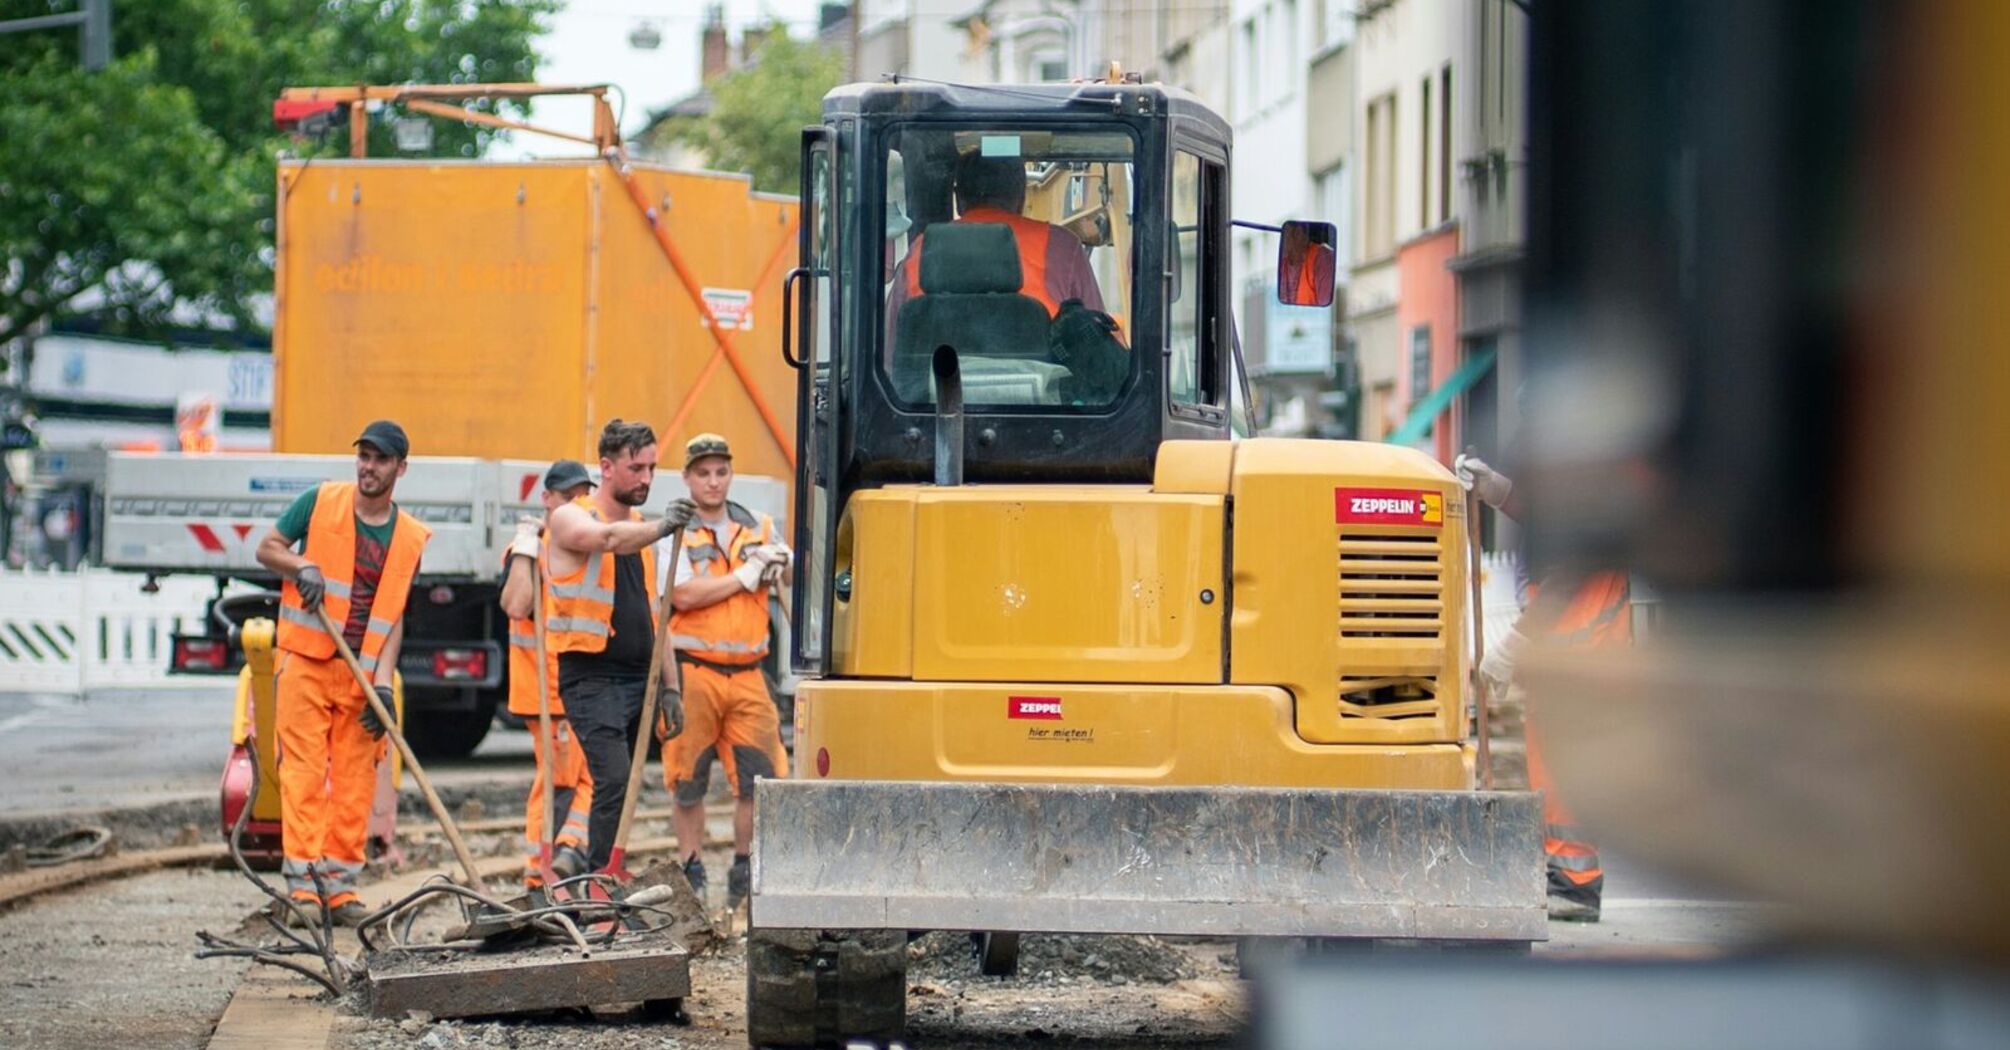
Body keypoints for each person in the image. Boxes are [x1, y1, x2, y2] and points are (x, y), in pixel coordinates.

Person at [254, 420, 431, 926]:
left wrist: (381, 682)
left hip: (360, 672)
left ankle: (340, 888)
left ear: (400, 468)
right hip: (307, 661)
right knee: (304, 775)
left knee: (355, 781)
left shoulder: (410, 537)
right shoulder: (320, 501)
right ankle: (304, 889)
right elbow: (266, 547)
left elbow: (392, 617)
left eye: (380, 460)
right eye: (364, 457)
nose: (368, 467)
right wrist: (300, 567)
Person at [1457, 451, 1630, 922]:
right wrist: (1499, 491)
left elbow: (1566, 580)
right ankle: (1566, 876)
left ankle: (1575, 884)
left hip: (1585, 668)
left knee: (1565, 778)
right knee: (1552, 773)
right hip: (1571, 667)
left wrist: (1512, 645)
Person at [544, 420, 695, 873]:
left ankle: (609, 870)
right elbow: (604, 540)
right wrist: (664, 527)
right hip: (590, 676)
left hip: (637, 680)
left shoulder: (645, 534)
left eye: (652, 468)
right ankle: (595, 877)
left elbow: (658, 614)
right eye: (636, 468)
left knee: (627, 785)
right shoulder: (572, 515)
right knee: (610, 779)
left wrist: (671, 686)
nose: (646, 479)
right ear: (606, 468)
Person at [663, 433, 792, 911]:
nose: (713, 481)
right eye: (703, 473)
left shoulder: (757, 525)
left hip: (749, 672)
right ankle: (692, 871)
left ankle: (744, 870)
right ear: (688, 478)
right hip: (694, 672)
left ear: (729, 474)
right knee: (687, 779)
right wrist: (743, 576)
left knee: (760, 778)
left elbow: (790, 572)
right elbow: (682, 596)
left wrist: (778, 562)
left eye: (720, 472)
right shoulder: (678, 529)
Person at [498, 459, 598, 892]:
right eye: (567, 497)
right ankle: (546, 869)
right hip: (548, 689)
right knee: (560, 783)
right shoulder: (531, 549)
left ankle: (564, 857)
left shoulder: (583, 545)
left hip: (576, 686)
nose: (576, 504)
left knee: (585, 776)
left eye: (582, 496)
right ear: (547, 500)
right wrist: (525, 546)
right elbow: (517, 605)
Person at [885, 151, 1105, 324]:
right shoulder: (1062, 247)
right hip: (1046, 382)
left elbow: (889, 353)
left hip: (935, 381)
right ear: (1020, 196)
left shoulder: (922, 250)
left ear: (959, 200)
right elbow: (1100, 338)